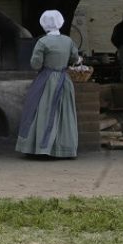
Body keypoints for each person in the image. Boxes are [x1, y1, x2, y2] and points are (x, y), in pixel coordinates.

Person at [15, 10, 80, 158]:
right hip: (64, 80)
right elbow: (75, 59)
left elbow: (35, 64)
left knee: (40, 111)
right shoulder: (68, 41)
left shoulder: (43, 42)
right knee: (64, 113)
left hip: (46, 80)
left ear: (44, 24)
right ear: (60, 22)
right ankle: (64, 149)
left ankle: (39, 148)